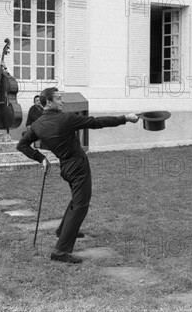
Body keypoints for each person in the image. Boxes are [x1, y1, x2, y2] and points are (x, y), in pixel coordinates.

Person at [16, 87, 139, 264]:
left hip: (65, 167)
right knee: (81, 204)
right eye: (58, 98)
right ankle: (60, 250)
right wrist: (125, 118)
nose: (62, 101)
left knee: (77, 199)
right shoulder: (66, 118)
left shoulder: (37, 124)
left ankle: (62, 230)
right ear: (49, 102)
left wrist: (41, 158)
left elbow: (22, 145)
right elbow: (96, 122)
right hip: (77, 165)